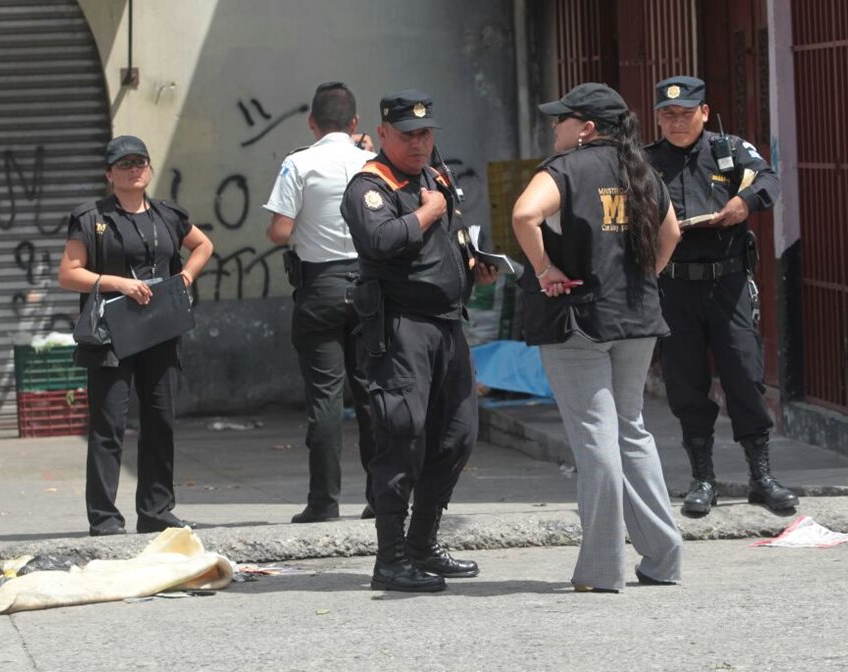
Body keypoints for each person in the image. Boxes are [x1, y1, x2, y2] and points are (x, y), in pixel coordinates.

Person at [513, 82, 684, 593]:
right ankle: (663, 558)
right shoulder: (642, 171)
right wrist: (642, 279)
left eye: (561, 119)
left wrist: (544, 269)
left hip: (579, 320)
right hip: (636, 318)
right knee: (630, 430)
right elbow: (671, 233)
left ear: (586, 127)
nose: (554, 127)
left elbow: (524, 215)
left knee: (595, 437)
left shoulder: (563, 169)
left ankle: (602, 568)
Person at [341, 89, 499, 593]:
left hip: (449, 324)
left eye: (426, 133)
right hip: (401, 326)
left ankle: (422, 545)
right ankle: (389, 559)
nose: (418, 142)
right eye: (408, 135)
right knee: (401, 436)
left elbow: (448, 239)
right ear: (384, 133)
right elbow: (381, 241)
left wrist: (475, 266)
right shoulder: (370, 184)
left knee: (457, 436)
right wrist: (430, 211)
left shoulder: (435, 176)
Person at [645, 75, 797, 518]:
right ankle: (702, 478)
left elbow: (768, 178)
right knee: (686, 383)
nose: (677, 122)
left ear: (704, 113)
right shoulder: (644, 162)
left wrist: (745, 202)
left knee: (745, 376)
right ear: (657, 118)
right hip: (674, 285)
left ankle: (761, 476)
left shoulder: (728, 150)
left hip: (727, 284)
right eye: (668, 115)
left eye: (686, 113)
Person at [58, 135, 213, 536]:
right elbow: (69, 273)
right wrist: (117, 284)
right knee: (108, 425)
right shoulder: (91, 217)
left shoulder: (167, 214)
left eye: (140, 161)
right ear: (109, 174)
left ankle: (156, 511)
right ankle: (105, 518)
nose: (134, 169)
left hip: (160, 330)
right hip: (111, 333)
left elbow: (202, 245)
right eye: (124, 163)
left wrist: (185, 279)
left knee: (160, 420)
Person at [264, 81, 377, 523]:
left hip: (320, 288)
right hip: (371, 288)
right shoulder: (374, 163)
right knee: (372, 394)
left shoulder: (299, 164)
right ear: (355, 123)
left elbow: (278, 231)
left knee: (326, 400)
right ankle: (381, 497)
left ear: (312, 122)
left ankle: (324, 503)